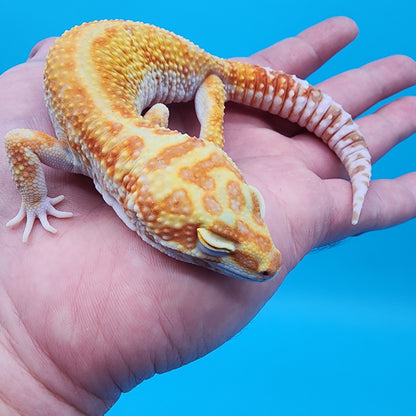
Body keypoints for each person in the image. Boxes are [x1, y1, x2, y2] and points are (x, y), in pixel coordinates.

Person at [0, 16, 415, 414]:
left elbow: (157, 118)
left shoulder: (118, 142)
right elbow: (18, 139)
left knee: (213, 80)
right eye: (215, 245)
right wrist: (33, 199)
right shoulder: (83, 150)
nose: (268, 260)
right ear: (133, 205)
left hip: (185, 69)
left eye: (254, 205)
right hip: (148, 68)